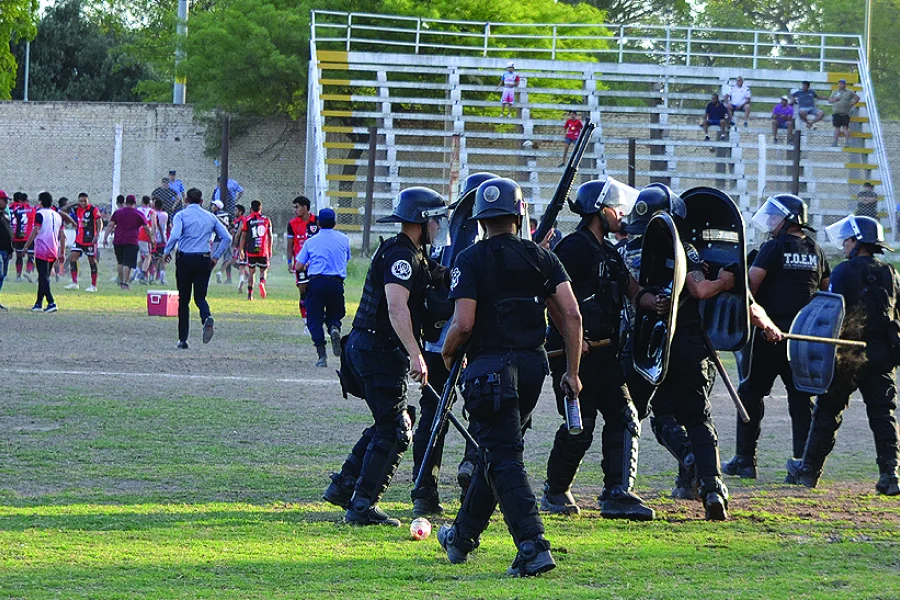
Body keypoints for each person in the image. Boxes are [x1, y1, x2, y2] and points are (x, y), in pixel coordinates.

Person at [437, 177, 583, 577]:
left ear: (481, 221)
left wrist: (449, 354)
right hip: (534, 368)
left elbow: (463, 324)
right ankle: (461, 536)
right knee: (495, 452)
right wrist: (571, 371)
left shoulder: (469, 259)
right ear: (519, 215)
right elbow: (570, 315)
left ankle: (533, 545)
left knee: (503, 458)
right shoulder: (543, 257)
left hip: (489, 370)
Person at [323, 187, 450, 527]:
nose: (438, 227)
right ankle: (363, 504)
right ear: (421, 222)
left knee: (388, 421)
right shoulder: (401, 258)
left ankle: (344, 485)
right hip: (378, 350)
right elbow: (396, 308)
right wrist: (416, 355)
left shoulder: (410, 253)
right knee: (395, 430)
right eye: (435, 221)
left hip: (373, 348)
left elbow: (436, 276)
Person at [541, 178, 660, 522]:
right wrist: (573, 345)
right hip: (574, 356)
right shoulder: (574, 249)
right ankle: (555, 490)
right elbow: (553, 299)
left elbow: (634, 292)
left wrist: (659, 302)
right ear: (599, 210)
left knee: (625, 417)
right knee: (581, 426)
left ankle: (617, 493)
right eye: (615, 209)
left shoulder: (610, 252)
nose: (620, 215)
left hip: (607, 353)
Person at [630, 184, 739, 520]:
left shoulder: (626, 251)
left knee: (661, 417)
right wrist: (724, 281)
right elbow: (698, 288)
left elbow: (632, 291)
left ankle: (687, 456)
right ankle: (712, 486)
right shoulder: (684, 248)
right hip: (688, 344)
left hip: (649, 345)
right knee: (698, 417)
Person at [787, 215, 900, 496]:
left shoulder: (844, 271)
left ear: (858, 242)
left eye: (848, 240)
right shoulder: (891, 272)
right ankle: (891, 475)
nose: (845, 244)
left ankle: (809, 473)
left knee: (827, 412)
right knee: (883, 414)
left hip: (848, 353)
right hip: (882, 355)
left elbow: (831, 313)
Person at [722, 194, 830, 481]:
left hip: (769, 334)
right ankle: (803, 465)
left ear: (789, 220)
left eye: (774, 217)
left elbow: (751, 287)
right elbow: (826, 293)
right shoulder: (816, 251)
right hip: (802, 338)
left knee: (751, 393)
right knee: (800, 398)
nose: (770, 222)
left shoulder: (773, 247)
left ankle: (745, 460)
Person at [163, 188, 232, 349]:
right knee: (200, 297)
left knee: (184, 300)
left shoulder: (181, 215)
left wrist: (166, 251)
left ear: (186, 200)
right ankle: (206, 317)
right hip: (204, 259)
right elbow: (227, 237)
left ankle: (183, 339)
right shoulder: (210, 217)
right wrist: (216, 256)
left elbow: (174, 236)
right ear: (202, 201)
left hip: (185, 259)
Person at [295, 208, 350, 368]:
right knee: (335, 314)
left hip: (317, 282)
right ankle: (334, 327)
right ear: (335, 223)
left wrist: (307, 264)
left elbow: (298, 266)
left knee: (314, 318)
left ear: (318, 223)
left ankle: (322, 355)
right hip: (336, 282)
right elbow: (345, 258)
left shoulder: (311, 241)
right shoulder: (344, 239)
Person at [23, 192, 65, 313]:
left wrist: (26, 245)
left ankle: (51, 302)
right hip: (54, 249)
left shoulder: (39, 214)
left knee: (42, 276)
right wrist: (62, 251)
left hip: (42, 248)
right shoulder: (57, 216)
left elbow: (36, 230)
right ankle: (38, 303)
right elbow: (62, 235)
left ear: (40, 202)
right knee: (44, 277)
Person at [104, 195, 152, 290]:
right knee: (128, 263)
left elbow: (110, 225)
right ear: (134, 203)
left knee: (120, 262)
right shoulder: (138, 214)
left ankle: (120, 281)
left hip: (118, 240)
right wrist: (151, 238)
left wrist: (105, 237)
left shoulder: (118, 213)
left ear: (125, 202)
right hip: (131, 240)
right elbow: (146, 228)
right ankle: (125, 284)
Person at [286, 196, 319, 321]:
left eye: (297, 207)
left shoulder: (317, 221)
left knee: (317, 292)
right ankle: (306, 321)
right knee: (303, 291)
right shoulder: (292, 224)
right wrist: (290, 262)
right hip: (300, 264)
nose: (295, 210)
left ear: (305, 207)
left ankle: (317, 318)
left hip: (316, 263)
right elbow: (290, 245)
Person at [62, 192, 102, 292]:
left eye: (85, 201)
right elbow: (62, 210)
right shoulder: (77, 209)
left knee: (92, 261)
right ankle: (74, 283)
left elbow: (99, 222)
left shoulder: (93, 209)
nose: (83, 203)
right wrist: (74, 204)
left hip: (90, 240)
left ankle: (93, 285)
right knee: (72, 258)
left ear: (88, 201)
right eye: (81, 201)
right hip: (79, 240)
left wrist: (97, 235)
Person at [237, 200, 273, 301]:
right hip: (262, 249)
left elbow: (243, 237)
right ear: (260, 208)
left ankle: (250, 295)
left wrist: (241, 250)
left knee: (251, 272)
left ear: (251, 208)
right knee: (264, 270)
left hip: (251, 249)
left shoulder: (247, 220)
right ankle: (262, 282)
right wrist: (269, 249)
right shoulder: (266, 220)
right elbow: (270, 236)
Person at [11, 192, 36, 283]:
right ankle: (28, 272)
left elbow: (13, 222)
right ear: (27, 200)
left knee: (19, 256)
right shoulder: (32, 209)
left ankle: (18, 276)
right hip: (29, 236)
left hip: (18, 237)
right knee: (30, 255)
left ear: (20, 200)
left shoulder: (15, 210)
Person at [828, 78, 859, 147]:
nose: (840, 85)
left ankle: (847, 143)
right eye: (839, 83)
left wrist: (851, 104)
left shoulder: (849, 92)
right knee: (836, 128)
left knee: (845, 128)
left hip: (845, 113)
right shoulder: (835, 92)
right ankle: (835, 142)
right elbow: (829, 100)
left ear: (845, 84)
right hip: (836, 113)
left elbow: (857, 98)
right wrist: (834, 100)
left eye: (842, 83)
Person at [209, 200, 231, 284]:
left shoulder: (215, 215)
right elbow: (230, 226)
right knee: (227, 259)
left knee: (213, 258)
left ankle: (210, 275)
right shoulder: (227, 215)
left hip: (217, 239)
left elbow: (226, 224)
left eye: (213, 205)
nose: (212, 207)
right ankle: (220, 272)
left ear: (217, 207)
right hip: (226, 239)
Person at [230, 204, 249, 290]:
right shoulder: (236, 220)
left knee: (235, 262)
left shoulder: (243, 220)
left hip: (240, 245)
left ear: (240, 212)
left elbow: (239, 233)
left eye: (236, 210)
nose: (234, 212)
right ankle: (246, 275)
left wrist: (235, 243)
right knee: (235, 263)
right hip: (238, 244)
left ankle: (243, 277)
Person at [152, 198, 170, 284]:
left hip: (154, 239)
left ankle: (152, 277)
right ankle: (161, 278)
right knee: (162, 260)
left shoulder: (153, 214)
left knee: (153, 260)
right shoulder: (165, 215)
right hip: (163, 240)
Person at [0, 190, 12, 310]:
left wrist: (10, 249)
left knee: (2, 275)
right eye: (4, 200)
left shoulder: (6, 214)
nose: (6, 203)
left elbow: (9, 232)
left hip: (5, 250)